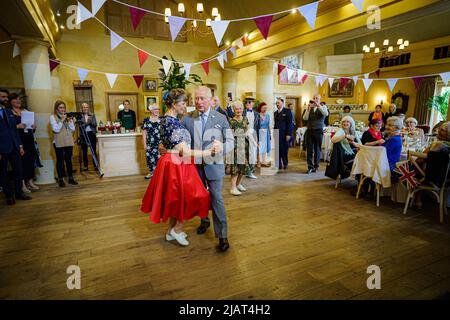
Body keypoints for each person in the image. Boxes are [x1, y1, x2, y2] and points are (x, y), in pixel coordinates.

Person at [141, 89, 216, 247]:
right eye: (183, 103)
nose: (185, 106)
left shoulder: (170, 119)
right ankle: (177, 229)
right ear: (174, 104)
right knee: (190, 197)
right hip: (177, 162)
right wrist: (209, 152)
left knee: (175, 199)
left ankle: (171, 231)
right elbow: (185, 151)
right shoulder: (171, 121)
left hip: (175, 161)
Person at [181, 86, 234, 252]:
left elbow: (231, 142)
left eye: (202, 98)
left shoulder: (220, 118)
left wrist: (222, 147)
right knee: (200, 196)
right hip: (195, 166)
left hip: (214, 166)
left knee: (216, 198)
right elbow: (181, 142)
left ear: (211, 99)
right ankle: (204, 220)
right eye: (196, 98)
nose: (198, 102)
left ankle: (223, 235)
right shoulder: (188, 119)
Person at [0, 88, 31, 205]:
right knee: (3, 172)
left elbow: (14, 130)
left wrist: (20, 146)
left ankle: (19, 192)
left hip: (14, 146)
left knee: (18, 170)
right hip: (2, 147)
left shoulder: (8, 112)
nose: (6, 99)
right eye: (3, 97)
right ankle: (8, 195)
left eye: (6, 97)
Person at [10, 93, 39, 193]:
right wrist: (18, 126)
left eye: (19, 99)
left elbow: (30, 127)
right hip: (19, 140)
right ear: (11, 101)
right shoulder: (9, 113)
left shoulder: (25, 111)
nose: (18, 101)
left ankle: (30, 182)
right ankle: (22, 185)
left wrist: (33, 127)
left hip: (29, 139)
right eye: (16, 99)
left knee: (30, 161)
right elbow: (8, 129)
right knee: (21, 163)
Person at [50, 100, 78, 187]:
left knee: (69, 160)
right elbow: (56, 129)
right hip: (58, 141)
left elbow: (72, 129)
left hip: (68, 141)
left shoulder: (67, 116)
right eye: (61, 108)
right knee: (60, 161)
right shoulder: (52, 117)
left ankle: (70, 178)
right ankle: (61, 179)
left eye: (64, 108)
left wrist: (70, 121)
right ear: (56, 109)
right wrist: (62, 120)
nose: (63, 109)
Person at [229, 100, 252, 196]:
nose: (239, 110)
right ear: (233, 110)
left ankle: (238, 184)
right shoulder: (231, 121)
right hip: (235, 146)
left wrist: (254, 143)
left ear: (243, 109)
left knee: (243, 166)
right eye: (236, 109)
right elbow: (229, 134)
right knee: (235, 167)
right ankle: (233, 187)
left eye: (240, 108)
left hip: (245, 146)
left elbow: (247, 131)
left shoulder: (245, 119)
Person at [303, 94, 328, 173]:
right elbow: (305, 118)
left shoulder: (323, 107)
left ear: (320, 99)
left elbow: (325, 114)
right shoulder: (310, 107)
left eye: (317, 98)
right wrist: (308, 109)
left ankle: (316, 166)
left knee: (317, 149)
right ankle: (310, 166)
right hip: (310, 130)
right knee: (309, 149)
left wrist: (318, 106)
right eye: (314, 98)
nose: (315, 99)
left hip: (318, 130)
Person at [243, 97, 260, 179]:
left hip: (253, 133)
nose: (248, 104)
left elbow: (258, 126)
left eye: (250, 102)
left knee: (252, 153)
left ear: (253, 104)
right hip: (243, 134)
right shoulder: (242, 112)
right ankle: (245, 171)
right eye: (247, 102)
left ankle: (251, 171)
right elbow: (231, 114)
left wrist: (259, 139)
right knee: (245, 152)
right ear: (245, 104)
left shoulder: (257, 114)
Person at [141, 105, 160, 179]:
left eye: (158, 109)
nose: (157, 110)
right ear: (151, 110)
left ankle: (159, 174)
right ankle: (151, 173)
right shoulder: (146, 120)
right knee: (150, 158)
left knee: (159, 159)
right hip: (150, 144)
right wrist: (144, 144)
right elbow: (144, 133)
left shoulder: (161, 119)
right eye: (155, 109)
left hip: (160, 144)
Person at [274, 98, 293, 170]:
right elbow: (275, 124)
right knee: (277, 150)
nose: (277, 104)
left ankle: (285, 163)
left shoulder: (287, 111)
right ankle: (278, 164)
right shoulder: (275, 113)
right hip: (277, 133)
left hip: (284, 134)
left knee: (284, 150)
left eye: (278, 103)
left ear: (282, 103)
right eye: (276, 103)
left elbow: (289, 124)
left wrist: (288, 134)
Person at [79, 102, 97, 171]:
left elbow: (95, 124)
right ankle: (86, 166)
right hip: (83, 135)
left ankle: (95, 165)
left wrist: (91, 122)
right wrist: (87, 123)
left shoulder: (92, 115)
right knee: (84, 151)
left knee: (93, 151)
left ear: (88, 108)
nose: (85, 108)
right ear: (82, 108)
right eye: (84, 107)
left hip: (91, 134)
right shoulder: (80, 116)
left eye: (86, 107)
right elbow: (80, 127)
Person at [257, 102, 271, 167]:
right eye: (263, 108)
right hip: (259, 133)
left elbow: (268, 125)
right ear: (260, 108)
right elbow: (256, 125)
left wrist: (270, 134)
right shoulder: (257, 115)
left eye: (266, 108)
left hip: (266, 133)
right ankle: (258, 161)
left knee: (265, 148)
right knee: (260, 147)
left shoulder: (268, 115)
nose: (265, 109)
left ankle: (264, 161)